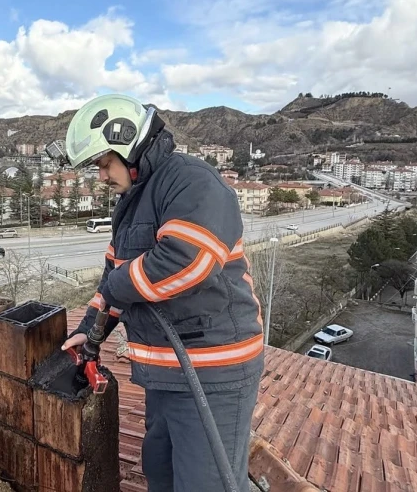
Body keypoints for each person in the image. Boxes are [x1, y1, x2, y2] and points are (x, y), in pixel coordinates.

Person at [58, 94, 264, 492]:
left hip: (211, 373)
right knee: (161, 473)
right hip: (166, 375)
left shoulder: (191, 181)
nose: (101, 176)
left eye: (104, 163)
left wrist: (117, 287)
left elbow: (186, 262)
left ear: (129, 146)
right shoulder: (133, 202)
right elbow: (114, 274)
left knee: (205, 484)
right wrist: (92, 329)